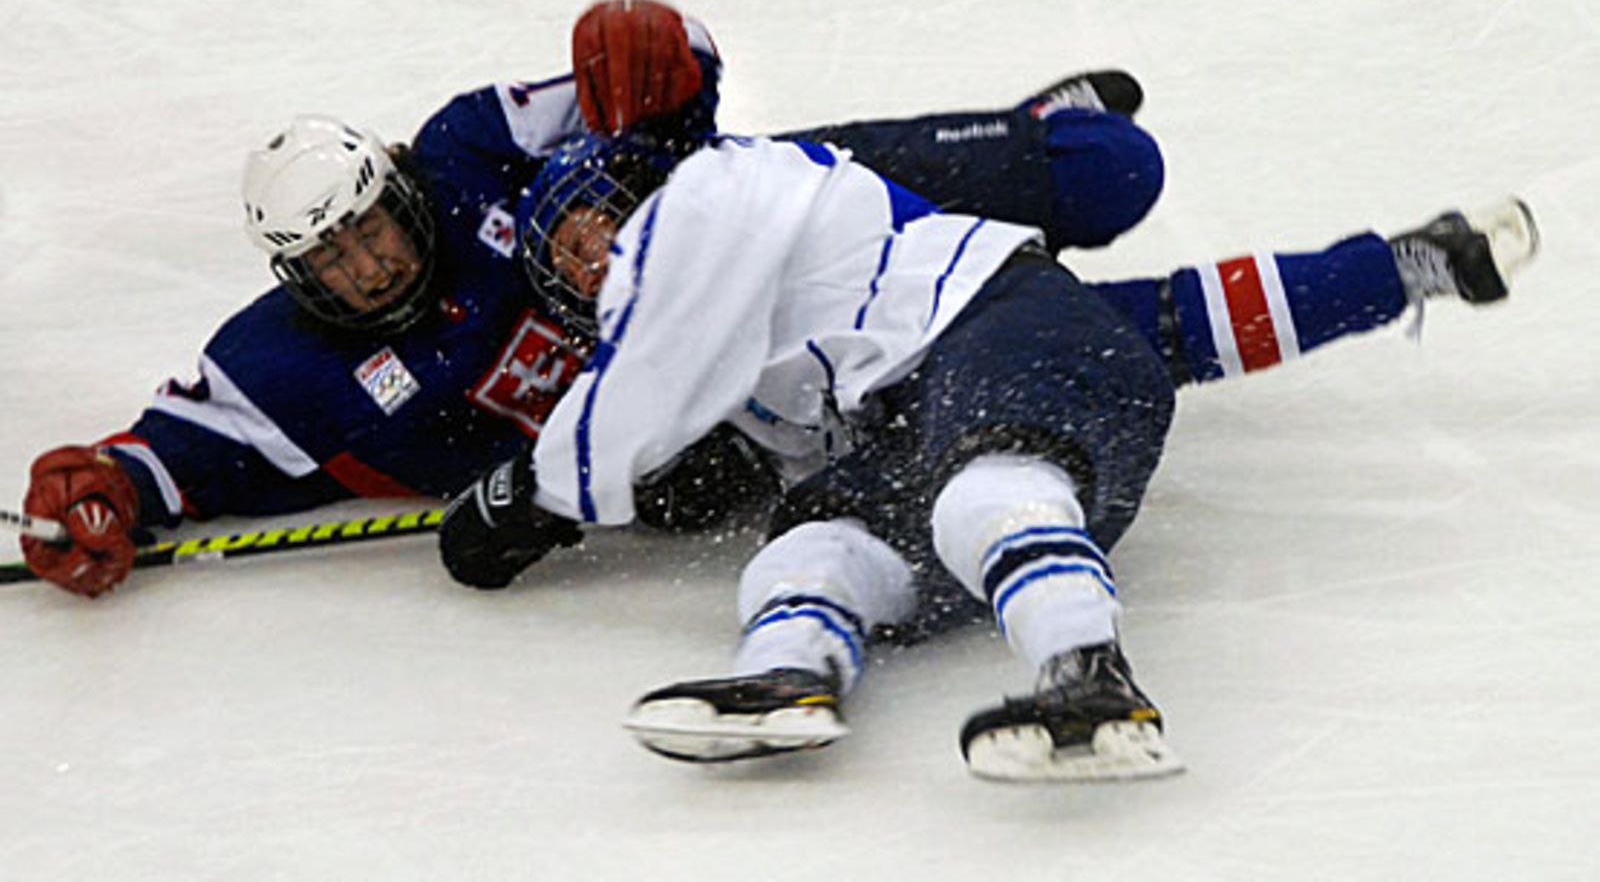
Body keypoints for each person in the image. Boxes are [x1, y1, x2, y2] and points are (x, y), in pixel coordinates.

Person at [432, 128, 1537, 782]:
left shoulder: (722, 191)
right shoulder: (759, 353)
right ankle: (793, 676)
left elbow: (633, 389)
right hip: (962, 403)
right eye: (569, 255)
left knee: (980, 490)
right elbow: (1163, 325)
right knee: (810, 544)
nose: (597, 253)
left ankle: (1092, 682)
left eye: (598, 219)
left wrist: (547, 493)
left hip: (992, 366)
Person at [14, 0, 1165, 598]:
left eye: (368, 230)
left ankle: (1029, 132)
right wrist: (101, 490)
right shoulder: (281, 362)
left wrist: (662, 51)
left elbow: (666, 97)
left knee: (1107, 169)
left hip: (775, 233)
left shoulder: (469, 148)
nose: (366, 267)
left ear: (396, 191)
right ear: (298, 278)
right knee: (702, 484)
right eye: (332, 263)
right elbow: (163, 458)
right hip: (754, 385)